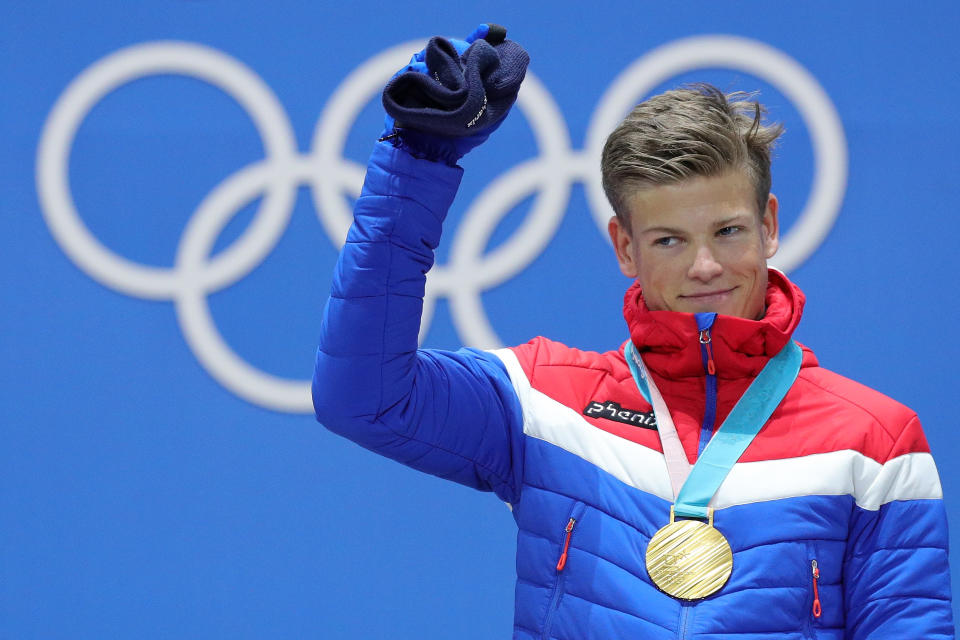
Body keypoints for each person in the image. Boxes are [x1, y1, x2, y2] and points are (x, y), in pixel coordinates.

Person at [312, 25, 954, 639]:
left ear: (769, 226)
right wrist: (420, 160)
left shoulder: (876, 442)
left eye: (727, 231)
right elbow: (363, 396)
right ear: (625, 247)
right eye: (669, 240)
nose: (705, 267)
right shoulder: (546, 405)